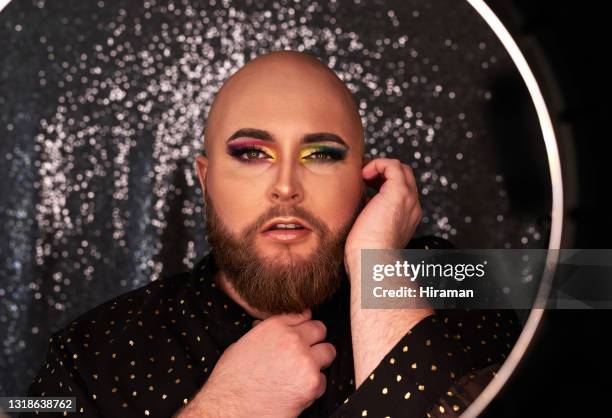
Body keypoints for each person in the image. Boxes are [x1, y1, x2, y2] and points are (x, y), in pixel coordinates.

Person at [21, 50, 520, 417]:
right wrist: (226, 408)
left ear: (365, 178)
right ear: (205, 177)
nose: (286, 187)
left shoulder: (460, 278)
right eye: (251, 153)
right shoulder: (91, 350)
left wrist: (377, 263)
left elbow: (592, 305)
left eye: (321, 155)